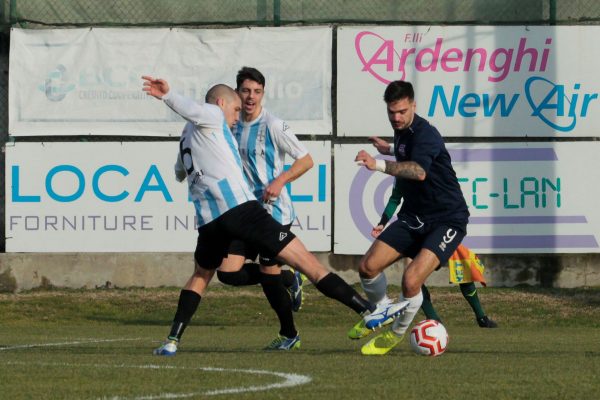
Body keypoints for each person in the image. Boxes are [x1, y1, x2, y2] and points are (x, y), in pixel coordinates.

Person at [141, 76, 408, 356]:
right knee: (309, 264)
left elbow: (179, 172)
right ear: (221, 103)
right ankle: (368, 310)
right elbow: (190, 107)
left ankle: (172, 340)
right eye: (234, 109)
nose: (235, 117)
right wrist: (168, 95)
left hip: (209, 222)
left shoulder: (188, 134)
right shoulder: (211, 114)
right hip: (241, 210)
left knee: (202, 274)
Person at [353, 80, 470, 355]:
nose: (396, 117)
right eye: (392, 112)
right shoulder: (402, 134)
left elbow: (418, 171)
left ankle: (395, 334)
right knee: (367, 267)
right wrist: (389, 148)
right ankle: (383, 308)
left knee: (411, 280)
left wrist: (378, 164)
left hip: (446, 219)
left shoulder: (426, 133)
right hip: (414, 216)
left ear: (413, 106)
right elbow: (408, 150)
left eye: (402, 111)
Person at [214, 66, 313, 350]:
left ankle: (289, 334)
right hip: (244, 213)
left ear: (263, 94)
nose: (251, 97)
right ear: (237, 93)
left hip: (274, 214)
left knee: (268, 278)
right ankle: (288, 276)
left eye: (257, 91)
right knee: (228, 273)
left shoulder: (273, 125)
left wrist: (280, 180)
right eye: (245, 91)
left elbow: (306, 160)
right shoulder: (230, 125)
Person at [365, 172, 497, 329]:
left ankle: (481, 316)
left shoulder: (434, 170)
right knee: (413, 278)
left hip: (439, 228)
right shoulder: (402, 174)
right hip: (415, 230)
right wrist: (382, 222)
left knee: (463, 269)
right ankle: (433, 319)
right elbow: (395, 198)